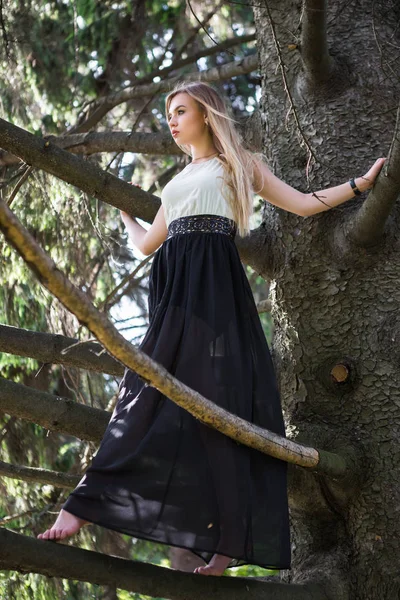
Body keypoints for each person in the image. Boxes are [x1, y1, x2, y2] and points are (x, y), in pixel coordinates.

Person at [37, 81, 385, 577]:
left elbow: (304, 203)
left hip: (213, 292)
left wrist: (360, 186)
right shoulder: (178, 180)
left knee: (221, 410)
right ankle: (86, 505)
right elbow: (147, 243)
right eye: (169, 115)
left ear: (207, 114)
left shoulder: (240, 166)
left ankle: (224, 544)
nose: (173, 122)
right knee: (140, 393)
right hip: (173, 294)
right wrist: (119, 209)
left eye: (181, 111)